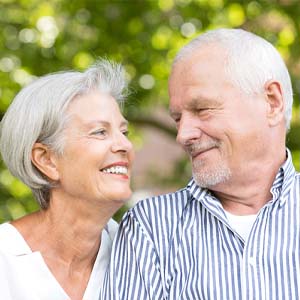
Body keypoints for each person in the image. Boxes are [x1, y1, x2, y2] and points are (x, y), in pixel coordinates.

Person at [102, 28, 300, 299]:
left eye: (202, 109)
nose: (183, 135)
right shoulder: (152, 227)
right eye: (177, 119)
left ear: (272, 103)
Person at [0, 59, 134, 300]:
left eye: (123, 132)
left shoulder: (139, 253)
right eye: (100, 132)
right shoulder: (5, 259)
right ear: (47, 160)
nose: (125, 145)